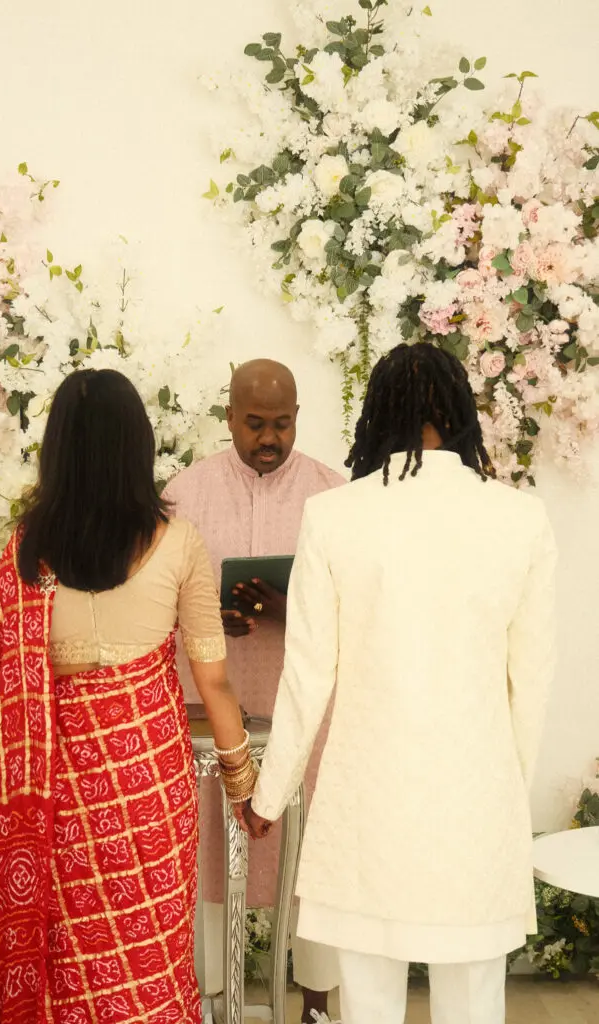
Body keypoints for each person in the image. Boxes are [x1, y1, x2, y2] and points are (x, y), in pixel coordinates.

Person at [245, 343, 557, 1024]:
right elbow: (529, 681)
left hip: (368, 804)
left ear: (375, 413)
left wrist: (268, 795)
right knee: (473, 999)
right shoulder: (519, 519)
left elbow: (307, 674)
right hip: (475, 801)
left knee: (368, 1002)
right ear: (461, 412)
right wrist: (510, 789)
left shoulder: (334, 516)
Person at [0, 368, 255, 1024]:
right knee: (147, 957)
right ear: (138, 446)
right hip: (148, 787)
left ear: (57, 448)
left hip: (55, 792)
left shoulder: (25, 553)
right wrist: (242, 783)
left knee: (68, 960)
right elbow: (212, 679)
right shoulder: (179, 544)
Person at [163, 359, 344, 1021]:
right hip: (215, 715)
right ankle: (211, 1001)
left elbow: (358, 609)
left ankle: (318, 1005)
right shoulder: (183, 494)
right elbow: (159, 600)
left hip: (307, 714)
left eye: (282, 424)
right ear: (228, 416)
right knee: (210, 860)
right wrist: (213, 615)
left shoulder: (333, 495)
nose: (268, 437)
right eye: (254, 424)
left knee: (315, 871)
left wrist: (284, 609)